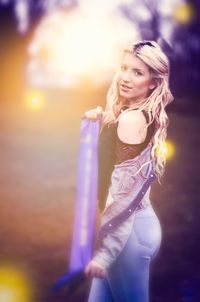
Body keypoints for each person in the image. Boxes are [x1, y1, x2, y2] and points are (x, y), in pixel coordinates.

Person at [84, 40, 174, 302]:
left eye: (137, 72)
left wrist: (105, 253)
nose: (125, 78)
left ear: (153, 82)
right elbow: (117, 154)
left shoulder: (131, 118)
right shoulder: (140, 114)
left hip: (127, 236)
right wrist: (99, 123)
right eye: (124, 68)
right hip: (134, 229)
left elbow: (124, 195)